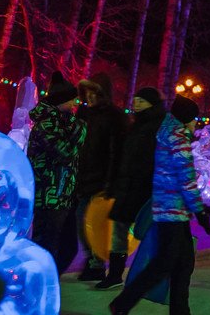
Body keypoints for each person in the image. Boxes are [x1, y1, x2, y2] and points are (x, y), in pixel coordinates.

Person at [110, 95, 210, 315]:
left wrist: (198, 209)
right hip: (172, 212)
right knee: (164, 264)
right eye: (194, 119)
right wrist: (200, 211)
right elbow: (186, 180)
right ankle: (123, 303)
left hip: (171, 209)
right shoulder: (178, 138)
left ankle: (180, 310)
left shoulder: (167, 133)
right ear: (186, 119)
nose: (196, 123)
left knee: (183, 263)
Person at [96, 87, 165, 290]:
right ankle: (115, 273)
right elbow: (123, 158)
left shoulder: (158, 127)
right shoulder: (134, 126)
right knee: (119, 229)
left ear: (151, 104)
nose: (136, 103)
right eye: (135, 99)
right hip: (128, 187)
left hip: (147, 188)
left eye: (141, 100)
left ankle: (152, 274)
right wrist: (115, 183)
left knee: (150, 232)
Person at [26, 74, 86, 274]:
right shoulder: (46, 124)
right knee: (46, 248)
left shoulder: (62, 121)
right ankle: (37, 287)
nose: (74, 104)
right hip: (49, 196)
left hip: (63, 195)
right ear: (61, 101)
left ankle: (46, 284)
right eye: (71, 100)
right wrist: (80, 128)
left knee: (68, 248)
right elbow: (65, 152)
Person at [74, 74, 126, 282]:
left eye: (94, 92)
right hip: (84, 177)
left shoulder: (114, 116)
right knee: (81, 221)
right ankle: (92, 259)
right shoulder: (84, 114)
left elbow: (117, 151)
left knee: (96, 223)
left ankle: (97, 262)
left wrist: (111, 181)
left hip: (102, 179)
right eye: (87, 93)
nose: (90, 97)